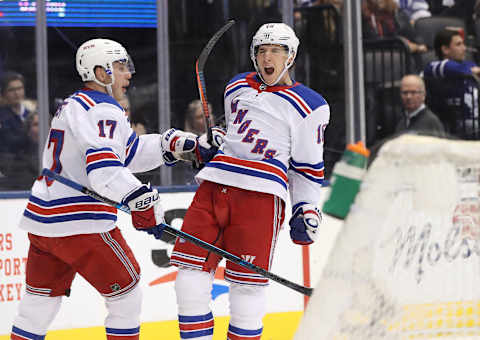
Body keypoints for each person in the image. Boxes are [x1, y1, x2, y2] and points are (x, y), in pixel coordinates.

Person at [10, 38, 198, 340]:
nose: (129, 74)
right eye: (121, 67)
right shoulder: (103, 108)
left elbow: (128, 152)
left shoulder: (75, 104)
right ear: (100, 72)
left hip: (44, 224)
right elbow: (104, 169)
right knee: (127, 293)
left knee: (37, 306)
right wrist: (141, 199)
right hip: (81, 224)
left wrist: (169, 144)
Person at [170, 23, 329, 339]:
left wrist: (307, 209)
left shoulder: (310, 105)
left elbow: (307, 167)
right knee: (188, 277)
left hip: (261, 197)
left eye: (276, 50)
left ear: (291, 56)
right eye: (261, 50)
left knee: (246, 289)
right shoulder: (236, 86)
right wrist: (214, 140)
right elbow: (235, 133)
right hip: (215, 185)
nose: (267, 56)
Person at [423, 28, 480, 138]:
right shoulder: (436, 66)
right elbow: (448, 67)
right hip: (458, 126)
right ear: (445, 49)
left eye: (463, 44)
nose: (464, 48)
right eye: (458, 44)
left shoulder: (468, 64)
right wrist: (472, 71)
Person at [0, 71, 31, 154]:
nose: (17, 93)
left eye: (19, 88)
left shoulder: (31, 113)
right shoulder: (2, 117)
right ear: (3, 93)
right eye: (11, 90)